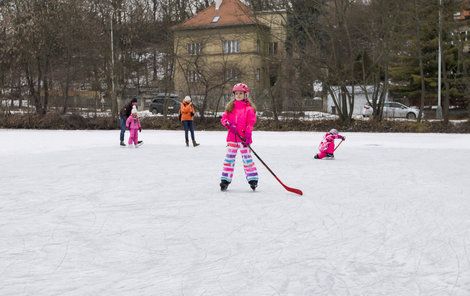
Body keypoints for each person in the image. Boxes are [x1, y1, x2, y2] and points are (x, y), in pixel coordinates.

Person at [219, 83, 258, 191]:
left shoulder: (249, 109)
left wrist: (248, 135)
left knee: (247, 160)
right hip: (232, 138)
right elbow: (223, 119)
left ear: (245, 95)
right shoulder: (230, 107)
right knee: (229, 159)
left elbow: (250, 123)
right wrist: (228, 124)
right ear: (234, 94)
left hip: (244, 139)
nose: (238, 95)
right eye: (236, 93)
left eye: (241, 93)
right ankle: (225, 180)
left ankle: (253, 179)